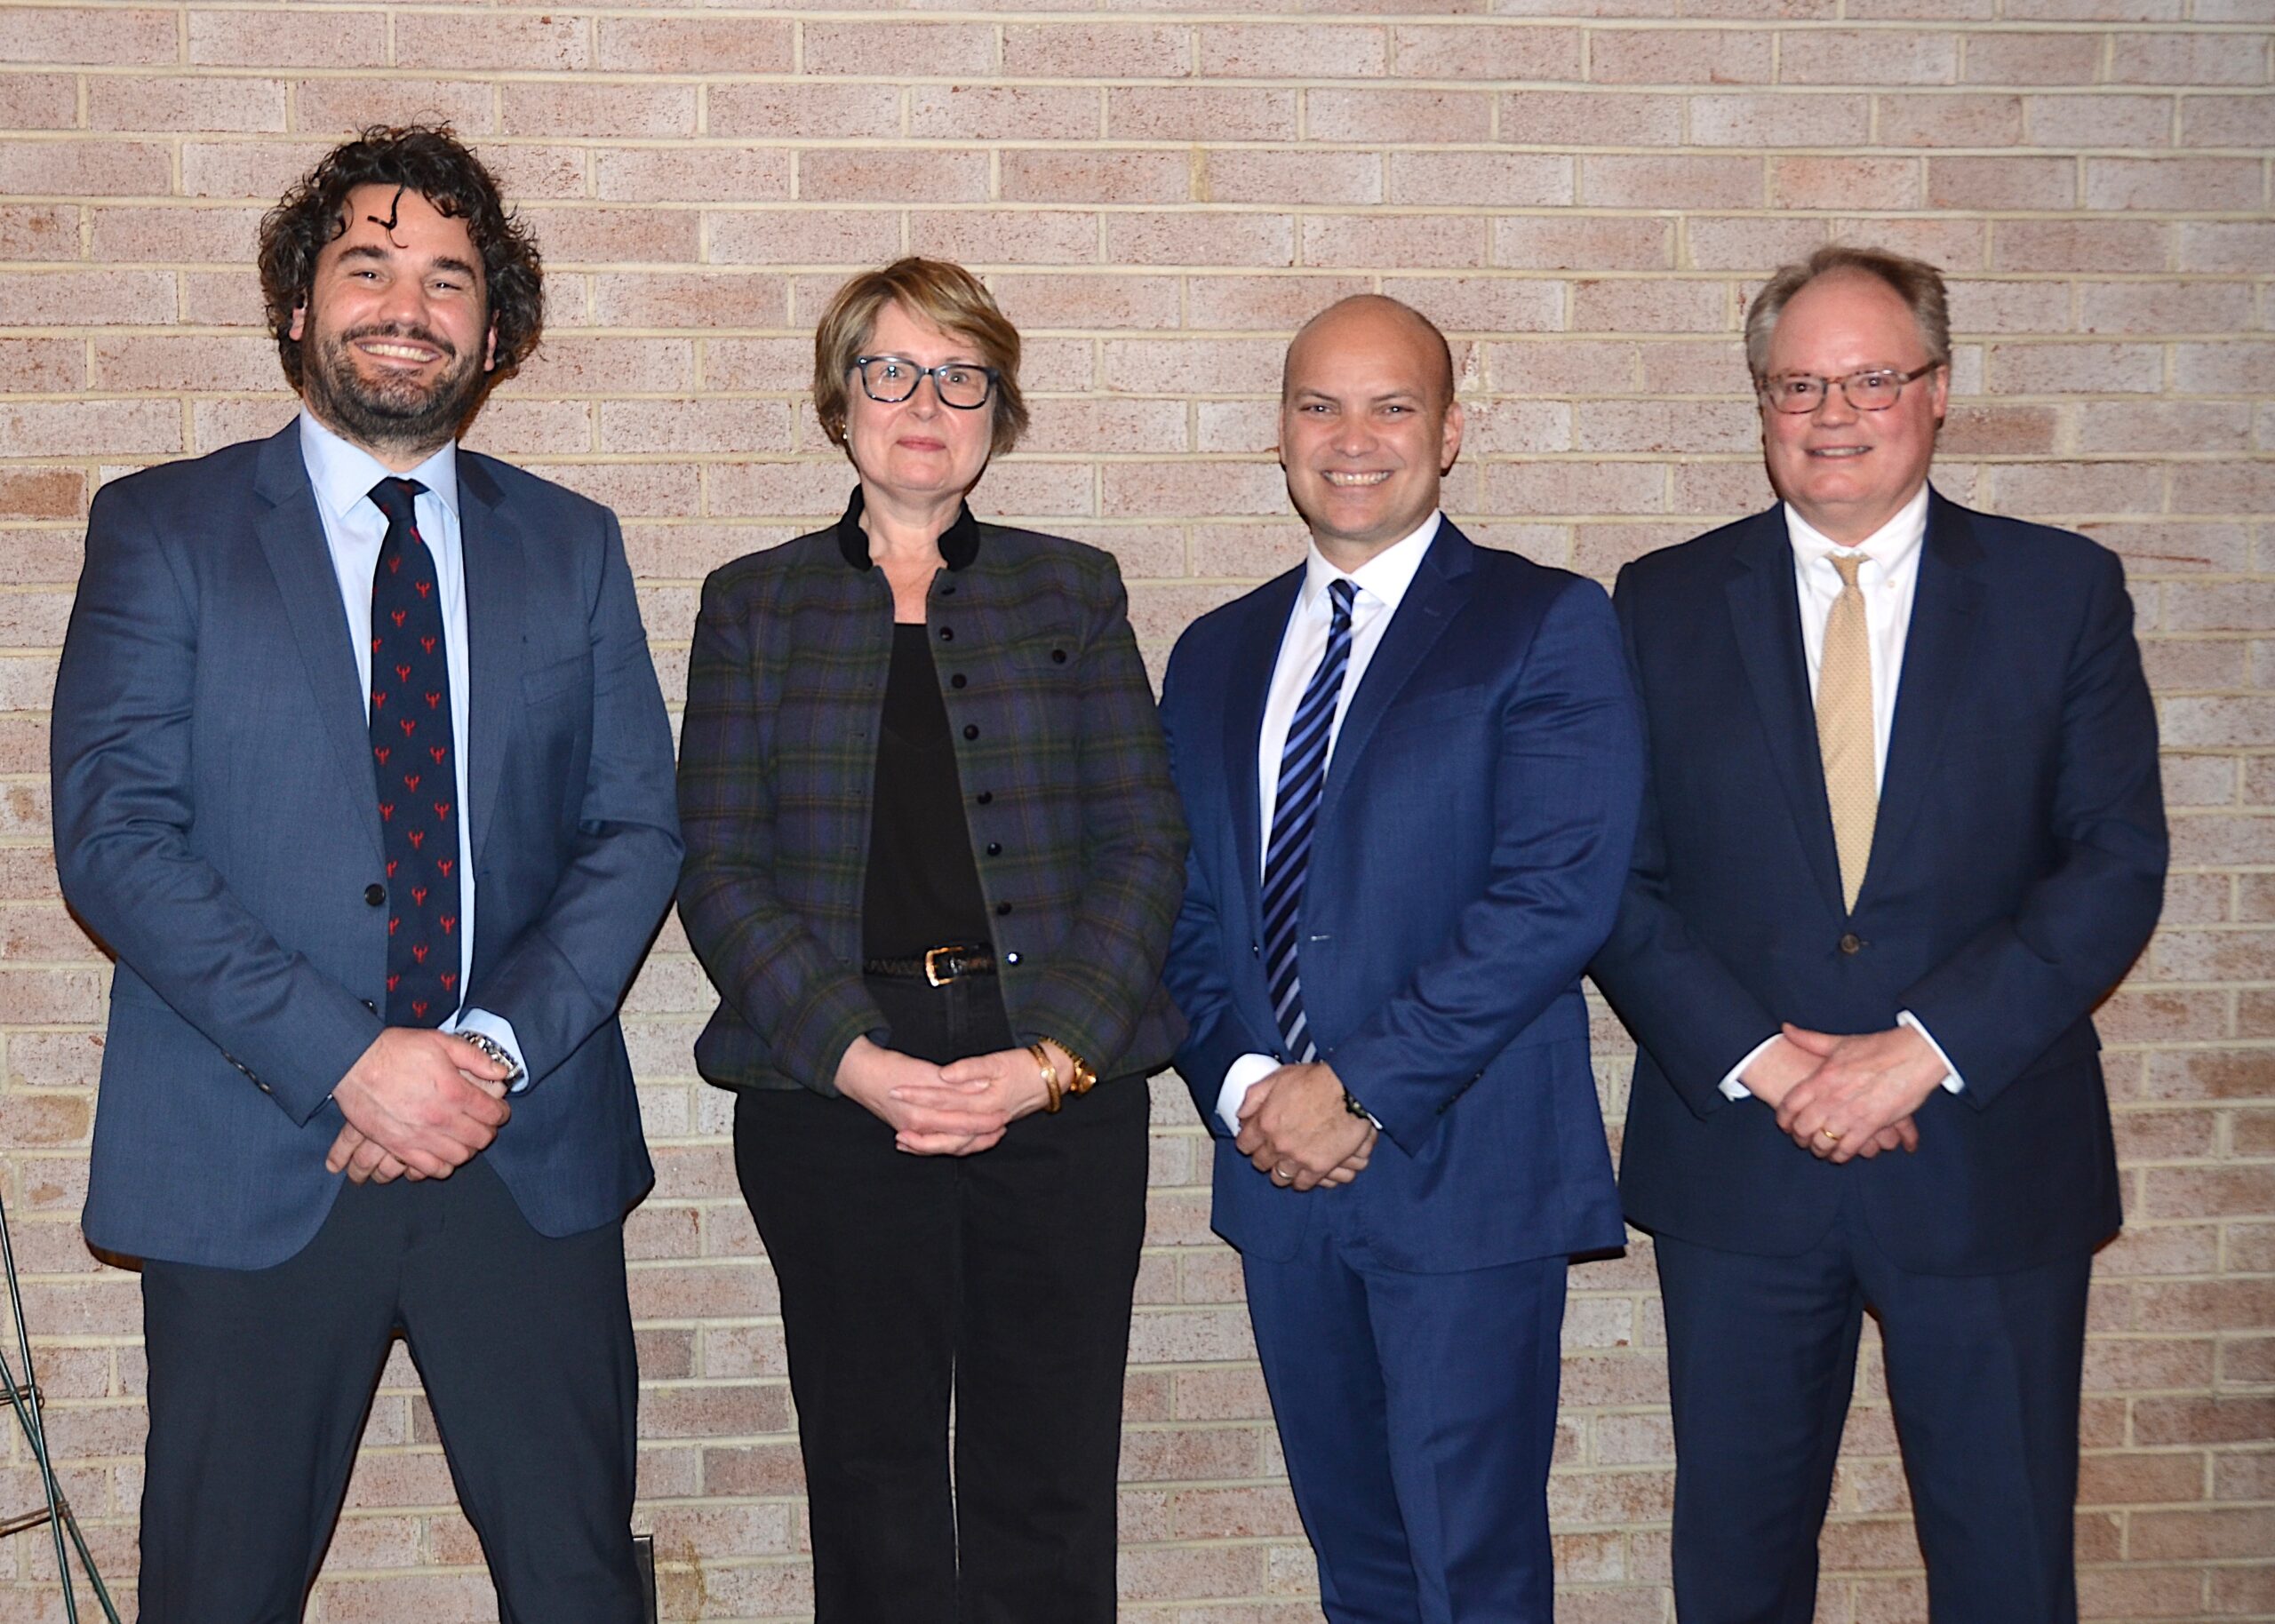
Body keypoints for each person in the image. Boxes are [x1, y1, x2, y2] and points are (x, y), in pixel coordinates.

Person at [48, 125, 682, 1621]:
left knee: (581, 1583)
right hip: (253, 1150)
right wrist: (350, 1062)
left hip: (518, 1149)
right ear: (296, 303)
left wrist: (480, 1056)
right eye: (370, 265)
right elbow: (116, 840)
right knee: (219, 1589)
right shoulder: (163, 528)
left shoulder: (575, 547)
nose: (410, 304)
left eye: (450, 278)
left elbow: (634, 829)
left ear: (493, 328)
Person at [1589, 244, 2167, 1624]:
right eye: (1798, 384)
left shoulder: (2060, 592)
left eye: (1871, 377)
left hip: (1988, 1153)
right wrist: (1774, 1065)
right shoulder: (1657, 602)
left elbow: (2114, 862)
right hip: (1743, 1159)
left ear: (1940, 392)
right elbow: (1610, 875)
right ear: (1760, 404)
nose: (1832, 412)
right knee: (1734, 1565)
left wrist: (1920, 1052)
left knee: (2007, 1564)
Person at [676, 256, 1185, 1624]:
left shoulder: (1071, 592)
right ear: (840, 401)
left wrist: (1053, 1058)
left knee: (1052, 1479)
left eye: (961, 376)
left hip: (1060, 1098)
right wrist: (856, 1060)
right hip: (835, 1096)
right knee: (871, 1478)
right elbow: (719, 868)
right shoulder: (755, 605)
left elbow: (1146, 846)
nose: (924, 401)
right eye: (889, 370)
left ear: (997, 411)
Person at [1158, 294, 1644, 1621]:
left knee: (1472, 1568)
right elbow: (1181, 911)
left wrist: (1355, 1087)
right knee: (1359, 1563)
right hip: (1278, 1180)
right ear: (1279, 433)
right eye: (1319, 404)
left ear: (1449, 435)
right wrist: (1250, 1081)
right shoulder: (1213, 654)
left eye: (1392, 406)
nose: (1352, 436)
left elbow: (1556, 897)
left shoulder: (1543, 623)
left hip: (1466, 1180)